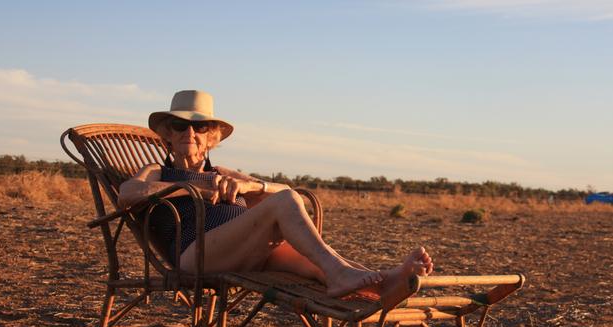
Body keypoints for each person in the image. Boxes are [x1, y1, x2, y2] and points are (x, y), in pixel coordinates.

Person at [118, 90, 433, 308]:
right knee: (285, 203)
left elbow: (282, 189)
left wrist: (250, 187)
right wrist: (194, 190)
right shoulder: (158, 170)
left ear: (211, 136)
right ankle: (346, 275)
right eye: (180, 125)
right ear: (169, 135)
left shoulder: (224, 172)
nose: (190, 132)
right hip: (195, 254)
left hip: (246, 252)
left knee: (312, 261)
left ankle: (386, 283)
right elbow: (128, 194)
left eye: (199, 126)